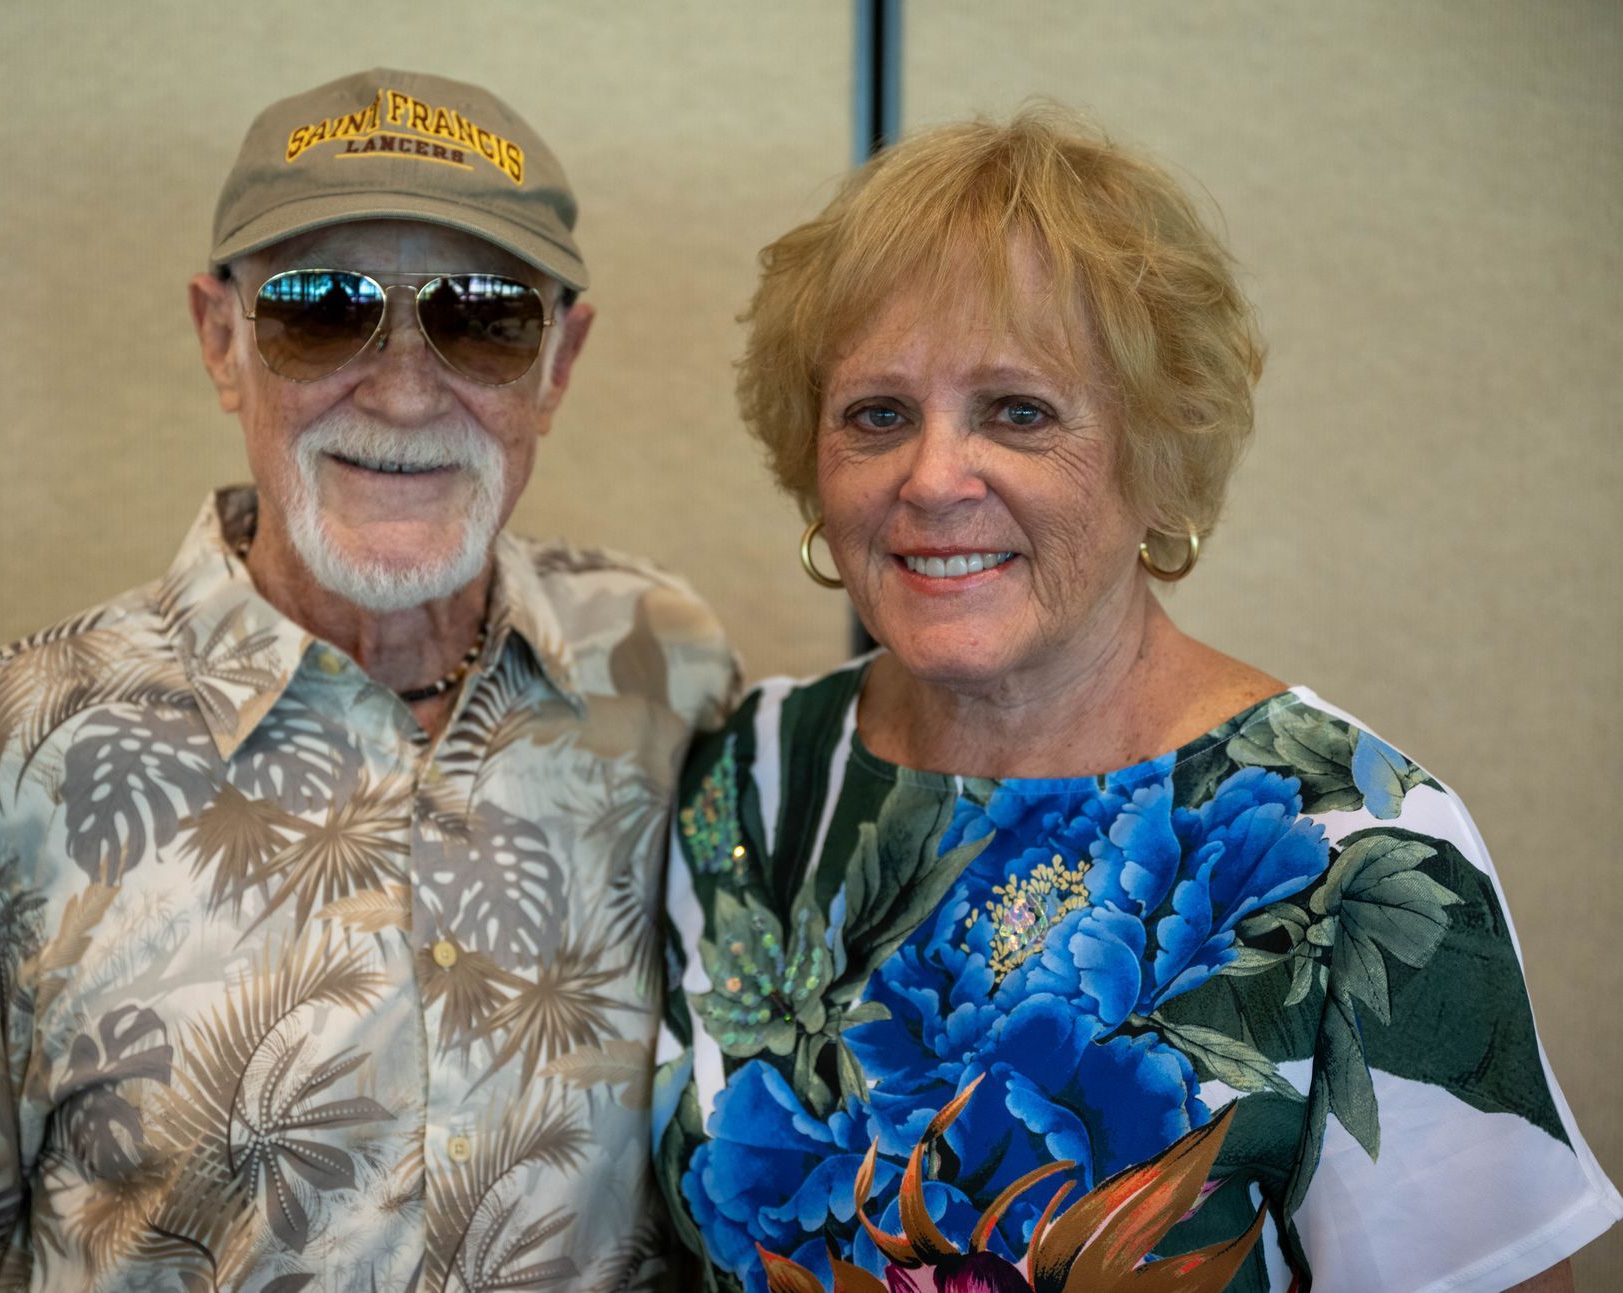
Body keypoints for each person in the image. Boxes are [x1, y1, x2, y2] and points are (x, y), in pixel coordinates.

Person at [653, 106, 1619, 1293]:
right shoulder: (742, 778)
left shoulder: (1355, 849)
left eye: (1019, 411)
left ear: (1158, 459)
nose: (933, 477)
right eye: (878, 414)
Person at [0, 68, 737, 1292]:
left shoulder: (667, 672)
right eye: (321, 310)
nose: (408, 386)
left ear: (558, 362)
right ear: (223, 341)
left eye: (483, 317)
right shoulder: (5, 753)